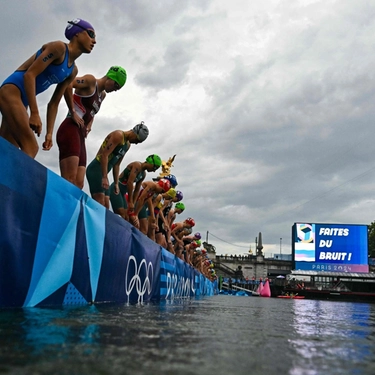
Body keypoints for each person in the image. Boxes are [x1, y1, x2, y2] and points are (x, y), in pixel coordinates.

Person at [0, 18, 96, 158]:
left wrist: (49, 133)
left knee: (7, 150)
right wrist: (34, 113)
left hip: (22, 101)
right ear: (77, 33)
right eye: (91, 34)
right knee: (31, 147)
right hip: (12, 91)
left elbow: (54, 103)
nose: (94, 41)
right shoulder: (59, 48)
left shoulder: (72, 71)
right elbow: (29, 75)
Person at [56, 66, 127, 188]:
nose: (115, 90)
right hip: (70, 128)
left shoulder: (102, 95)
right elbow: (67, 83)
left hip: (80, 134)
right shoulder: (90, 81)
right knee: (69, 179)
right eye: (116, 86)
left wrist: (89, 124)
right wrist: (72, 111)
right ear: (110, 77)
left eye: (118, 89)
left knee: (79, 184)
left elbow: (91, 111)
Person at [86, 122, 149, 208]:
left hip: (104, 174)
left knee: (106, 207)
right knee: (99, 204)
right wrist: (104, 177)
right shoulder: (118, 135)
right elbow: (105, 155)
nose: (136, 143)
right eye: (137, 140)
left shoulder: (127, 145)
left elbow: (117, 165)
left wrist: (116, 184)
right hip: (95, 170)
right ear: (135, 133)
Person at [109, 154, 162, 220]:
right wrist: (130, 202)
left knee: (126, 217)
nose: (154, 170)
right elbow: (130, 182)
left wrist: (133, 204)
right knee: (121, 213)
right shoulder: (137, 165)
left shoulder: (143, 174)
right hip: (116, 188)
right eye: (155, 167)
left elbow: (137, 190)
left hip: (122, 192)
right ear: (151, 162)